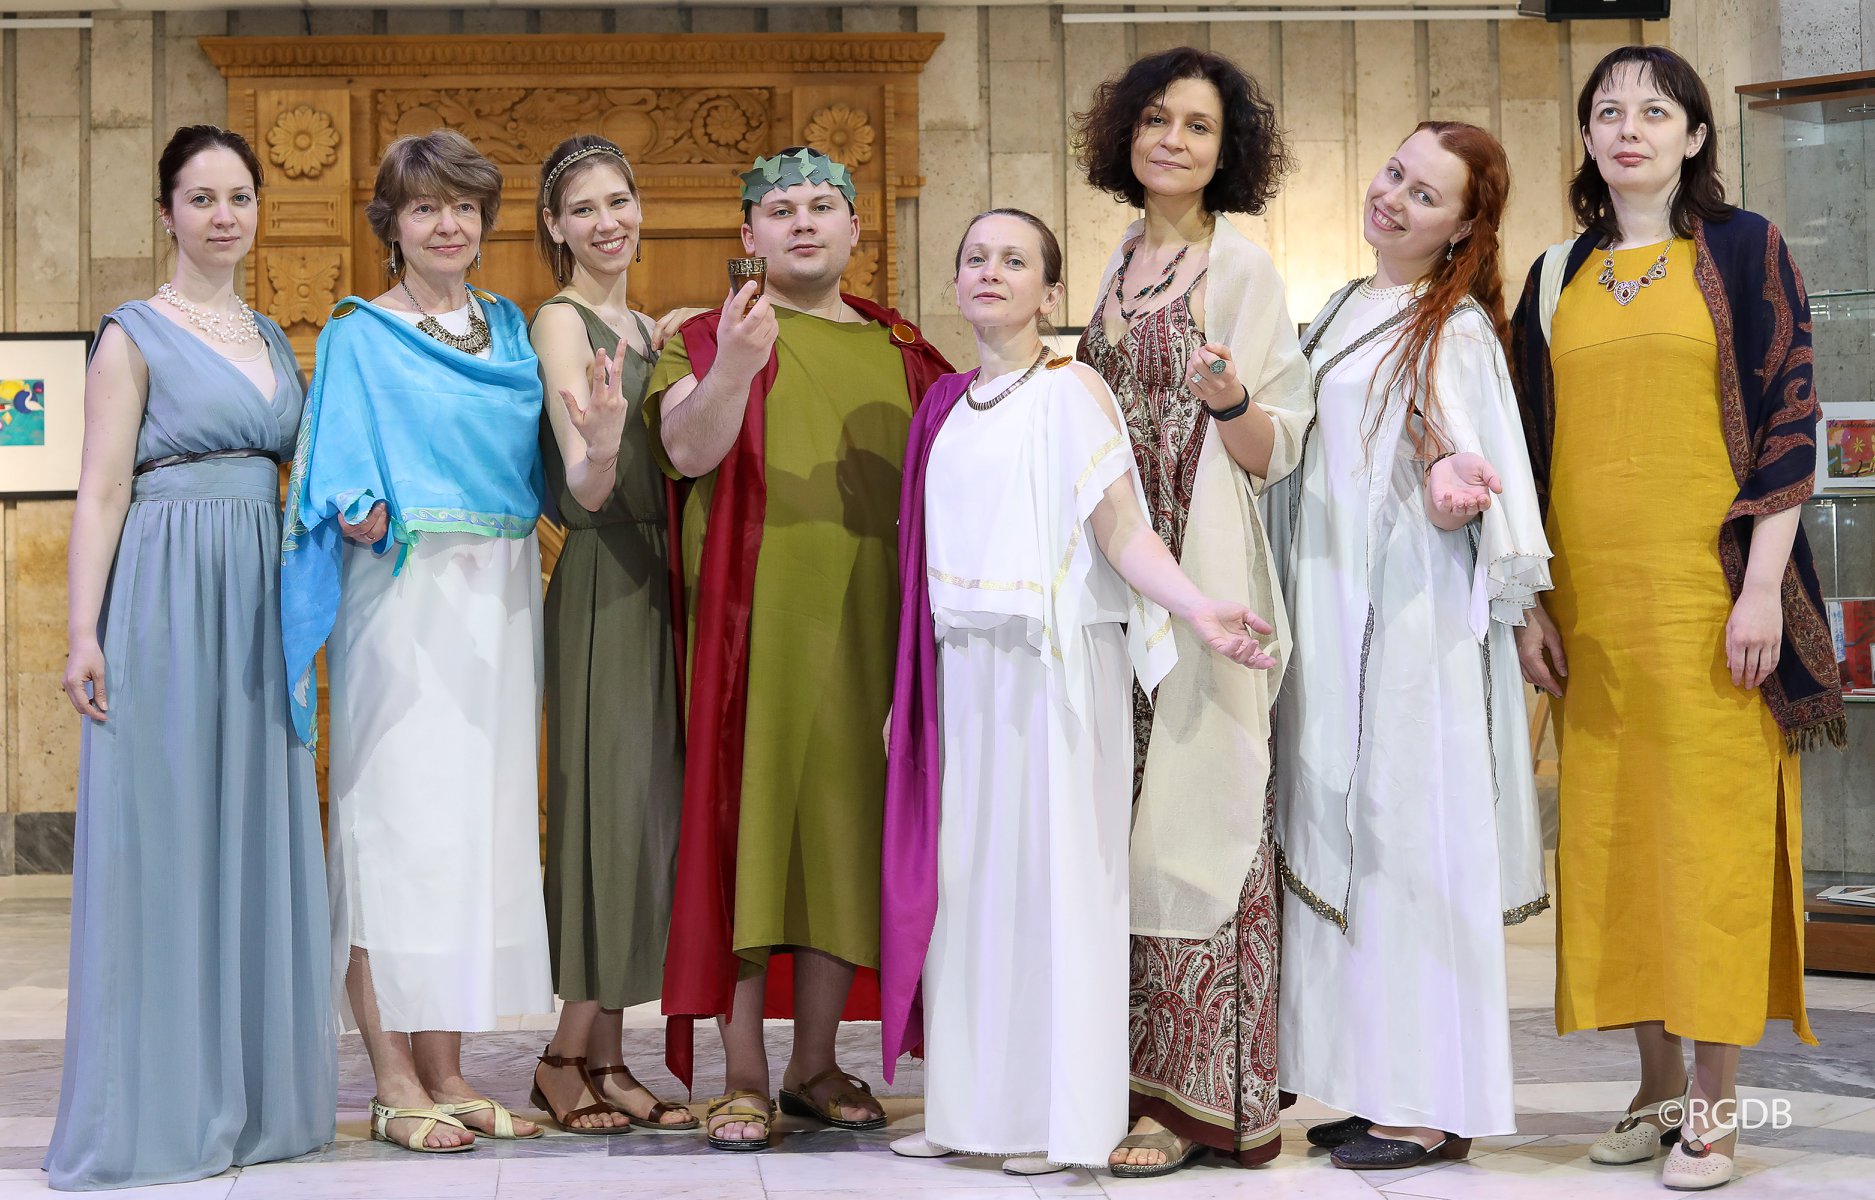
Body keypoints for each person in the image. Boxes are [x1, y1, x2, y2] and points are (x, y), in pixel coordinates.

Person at [880, 208, 1277, 1176]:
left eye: (1015, 260)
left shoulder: (1071, 389)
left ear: (1049, 292)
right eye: (976, 257)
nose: (990, 272)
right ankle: (971, 1111)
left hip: (1055, 672)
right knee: (970, 894)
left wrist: (1197, 607)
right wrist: (909, 694)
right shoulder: (945, 406)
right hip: (966, 675)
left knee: (1052, 892)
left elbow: (1120, 528)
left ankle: (1057, 1122)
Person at [1508, 45, 1842, 1192]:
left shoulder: (1743, 250)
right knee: (1617, 850)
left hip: (1714, 607)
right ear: (1587, 137)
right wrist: (1529, 607)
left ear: (1694, 135)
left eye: (1655, 110)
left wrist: (1760, 590)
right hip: (1593, 618)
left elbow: (1792, 419)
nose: (1629, 127)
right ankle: (1653, 1094)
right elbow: (1525, 454)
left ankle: (1714, 1107)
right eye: (1608, 110)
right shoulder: (1554, 276)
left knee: (1709, 849)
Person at [48, 124, 337, 1192]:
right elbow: (102, 489)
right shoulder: (131, 334)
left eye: (239, 197)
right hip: (166, 590)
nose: (223, 215)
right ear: (166, 212)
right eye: (202, 197)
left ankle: (257, 1101)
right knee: (164, 837)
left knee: (252, 828)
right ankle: (157, 1108)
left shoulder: (271, 337)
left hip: (259, 595)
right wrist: (83, 629)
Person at [647, 146, 952, 1151]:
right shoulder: (704, 335)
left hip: (872, 633)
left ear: (857, 227)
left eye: (824, 205)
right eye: (781, 210)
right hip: (750, 633)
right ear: (748, 235)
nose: (805, 221)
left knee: (840, 836)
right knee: (748, 838)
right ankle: (743, 1074)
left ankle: (814, 1065)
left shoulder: (905, 350)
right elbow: (685, 449)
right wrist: (736, 363)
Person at [1273, 121, 1551, 1171]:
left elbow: (1476, 480)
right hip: (1339, 616)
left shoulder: (1458, 329)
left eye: (1425, 195)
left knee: (1414, 848)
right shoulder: (1348, 304)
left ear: (1464, 229)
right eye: (1394, 174)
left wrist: (1452, 495)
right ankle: (1378, 1082)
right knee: (1361, 851)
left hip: (1413, 632)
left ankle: (1435, 1103)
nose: (1392, 198)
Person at [281, 129, 554, 1154]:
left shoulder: (509, 325)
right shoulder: (360, 331)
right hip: (401, 590)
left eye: (464, 207)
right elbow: (334, 454)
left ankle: (446, 1067)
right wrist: (355, 502)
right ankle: (392, 1079)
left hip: (500, 590)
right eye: (425, 207)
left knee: (472, 834)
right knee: (392, 829)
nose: (448, 225)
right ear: (390, 224)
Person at [1071, 46, 1311, 1176]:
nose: (1172, 140)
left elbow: (1273, 448)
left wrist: (1229, 401)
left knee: (1199, 819)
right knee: (1124, 825)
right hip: (1122, 586)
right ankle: (1116, 1083)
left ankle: (1197, 1103)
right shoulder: (1116, 263)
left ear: (1229, 151)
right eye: (1156, 119)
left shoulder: (1242, 266)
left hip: (1200, 572)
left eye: (1199, 126)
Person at [526, 134, 694, 1134]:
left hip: (660, 576)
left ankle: (609, 1055)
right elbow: (584, 480)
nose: (606, 221)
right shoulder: (560, 320)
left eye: (618, 200)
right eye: (582, 207)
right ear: (555, 226)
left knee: (644, 822)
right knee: (603, 818)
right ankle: (560, 1055)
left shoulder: (642, 324)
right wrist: (596, 445)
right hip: (601, 574)